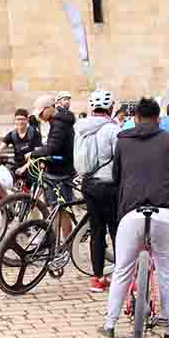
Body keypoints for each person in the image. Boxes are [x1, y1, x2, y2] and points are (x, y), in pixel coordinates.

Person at [98, 97, 169, 338]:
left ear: (135, 118)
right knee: (168, 274)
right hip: (165, 213)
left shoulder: (123, 142)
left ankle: (110, 325)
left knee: (122, 270)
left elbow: (116, 177)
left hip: (132, 213)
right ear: (159, 118)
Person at [74, 90, 121, 291]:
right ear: (110, 108)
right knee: (116, 231)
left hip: (88, 184)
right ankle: (122, 276)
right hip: (109, 185)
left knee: (97, 231)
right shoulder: (112, 129)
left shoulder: (81, 128)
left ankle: (97, 278)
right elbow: (119, 158)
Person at [30, 93, 78, 251]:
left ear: (50, 109)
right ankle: (57, 244)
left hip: (61, 171)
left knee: (61, 209)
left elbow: (53, 148)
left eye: (41, 112)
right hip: (59, 167)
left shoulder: (59, 123)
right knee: (58, 209)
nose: (40, 117)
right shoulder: (58, 121)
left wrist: (34, 153)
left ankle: (66, 246)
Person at [0, 108, 40, 191]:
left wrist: (24, 168)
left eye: (23, 119)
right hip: (18, 165)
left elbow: (37, 153)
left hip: (31, 166)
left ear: (27, 120)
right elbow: (0, 148)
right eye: (18, 119)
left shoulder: (34, 133)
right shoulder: (12, 134)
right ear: (15, 120)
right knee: (5, 182)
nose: (20, 122)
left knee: (28, 194)